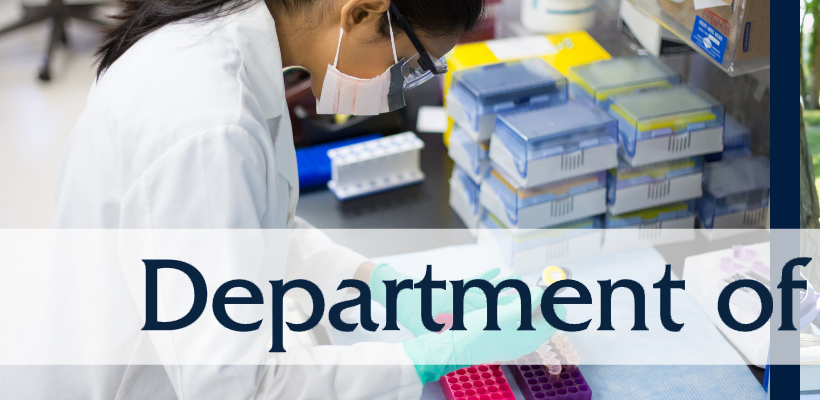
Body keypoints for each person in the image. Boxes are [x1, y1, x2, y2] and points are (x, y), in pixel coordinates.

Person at [9, 0, 558, 397]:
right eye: (414, 64)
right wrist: (424, 358)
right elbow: (235, 388)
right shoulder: (208, 124)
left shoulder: (224, 36)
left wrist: (383, 287)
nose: (406, 83)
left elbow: (253, 224)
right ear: (361, 13)